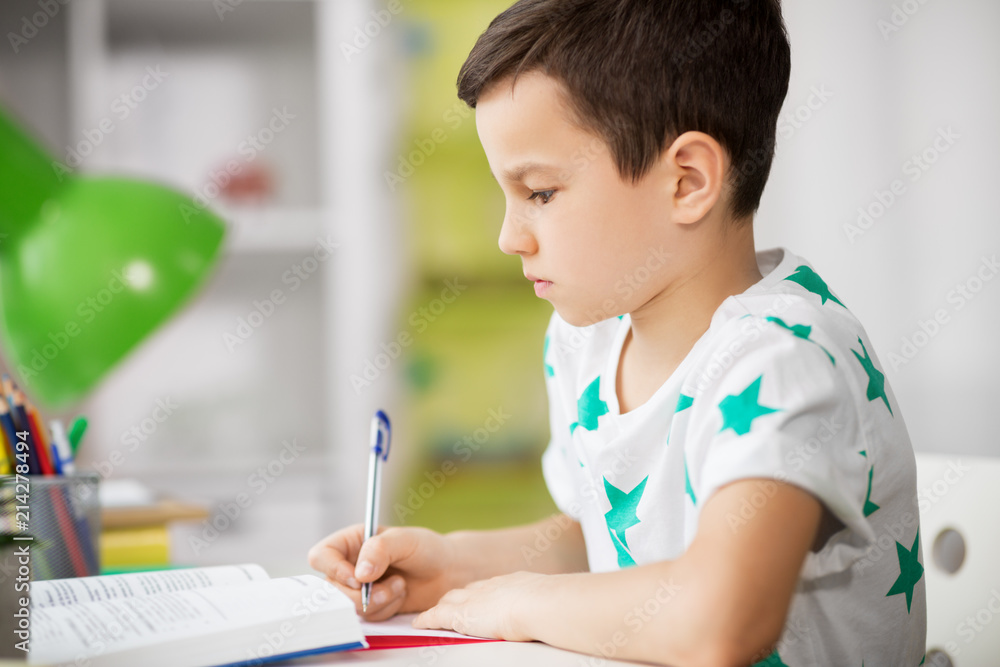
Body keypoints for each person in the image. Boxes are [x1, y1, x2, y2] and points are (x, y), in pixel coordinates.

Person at [308, 1, 927, 664]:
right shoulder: (584, 342)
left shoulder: (784, 359)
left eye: (540, 192)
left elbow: (722, 618)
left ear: (687, 181)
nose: (508, 237)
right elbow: (601, 536)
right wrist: (454, 560)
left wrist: (521, 603)